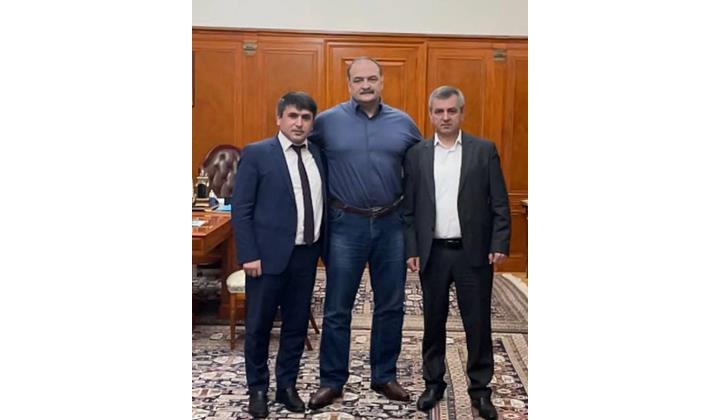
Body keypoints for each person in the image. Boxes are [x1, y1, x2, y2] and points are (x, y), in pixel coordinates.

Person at [307, 57, 422, 409]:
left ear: (382, 81)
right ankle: (332, 381)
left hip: (391, 224)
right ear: (349, 84)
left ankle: (384, 375)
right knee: (337, 308)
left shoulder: (404, 123)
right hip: (346, 224)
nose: (366, 85)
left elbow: (421, 170)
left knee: (391, 304)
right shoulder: (326, 123)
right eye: (358, 79)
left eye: (372, 78)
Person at [402, 86, 511, 419]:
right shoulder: (417, 154)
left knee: (477, 324)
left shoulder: (483, 150)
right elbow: (409, 209)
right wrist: (412, 248)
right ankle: (433, 383)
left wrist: (499, 242)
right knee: (433, 322)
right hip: (433, 253)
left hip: (472, 253)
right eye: (439, 111)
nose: (445, 117)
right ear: (430, 114)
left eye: (451, 111)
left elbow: (499, 202)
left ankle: (480, 390)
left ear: (462, 113)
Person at [231, 91, 325, 418]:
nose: (299, 123)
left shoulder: (318, 155)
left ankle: (287, 387)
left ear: (312, 123)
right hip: (266, 258)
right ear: (279, 119)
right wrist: (248, 254)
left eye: (305, 117)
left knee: (296, 326)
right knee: (258, 327)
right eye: (293, 116)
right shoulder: (257, 153)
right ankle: (257, 389)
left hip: (306, 255)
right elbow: (241, 209)